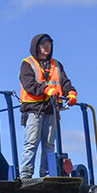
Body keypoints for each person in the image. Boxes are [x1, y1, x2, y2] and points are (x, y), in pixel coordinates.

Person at [19, 33, 77, 179]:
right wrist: (46, 89)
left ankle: (46, 174)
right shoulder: (27, 63)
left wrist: (71, 92)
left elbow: (64, 82)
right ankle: (25, 175)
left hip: (52, 110)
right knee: (31, 143)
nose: (47, 47)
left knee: (49, 145)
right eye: (43, 44)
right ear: (36, 47)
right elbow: (29, 84)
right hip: (34, 109)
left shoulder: (56, 64)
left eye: (49, 44)